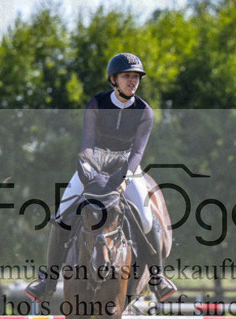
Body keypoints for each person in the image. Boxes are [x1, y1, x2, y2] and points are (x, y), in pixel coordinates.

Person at [25, 52, 177, 304]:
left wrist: (125, 174)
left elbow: (138, 151)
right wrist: (89, 169)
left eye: (136, 77)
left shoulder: (144, 111)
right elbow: (87, 143)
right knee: (62, 213)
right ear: (113, 79)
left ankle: (157, 279)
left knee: (146, 215)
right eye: (127, 76)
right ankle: (49, 280)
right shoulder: (96, 103)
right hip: (94, 162)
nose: (133, 81)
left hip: (127, 165)